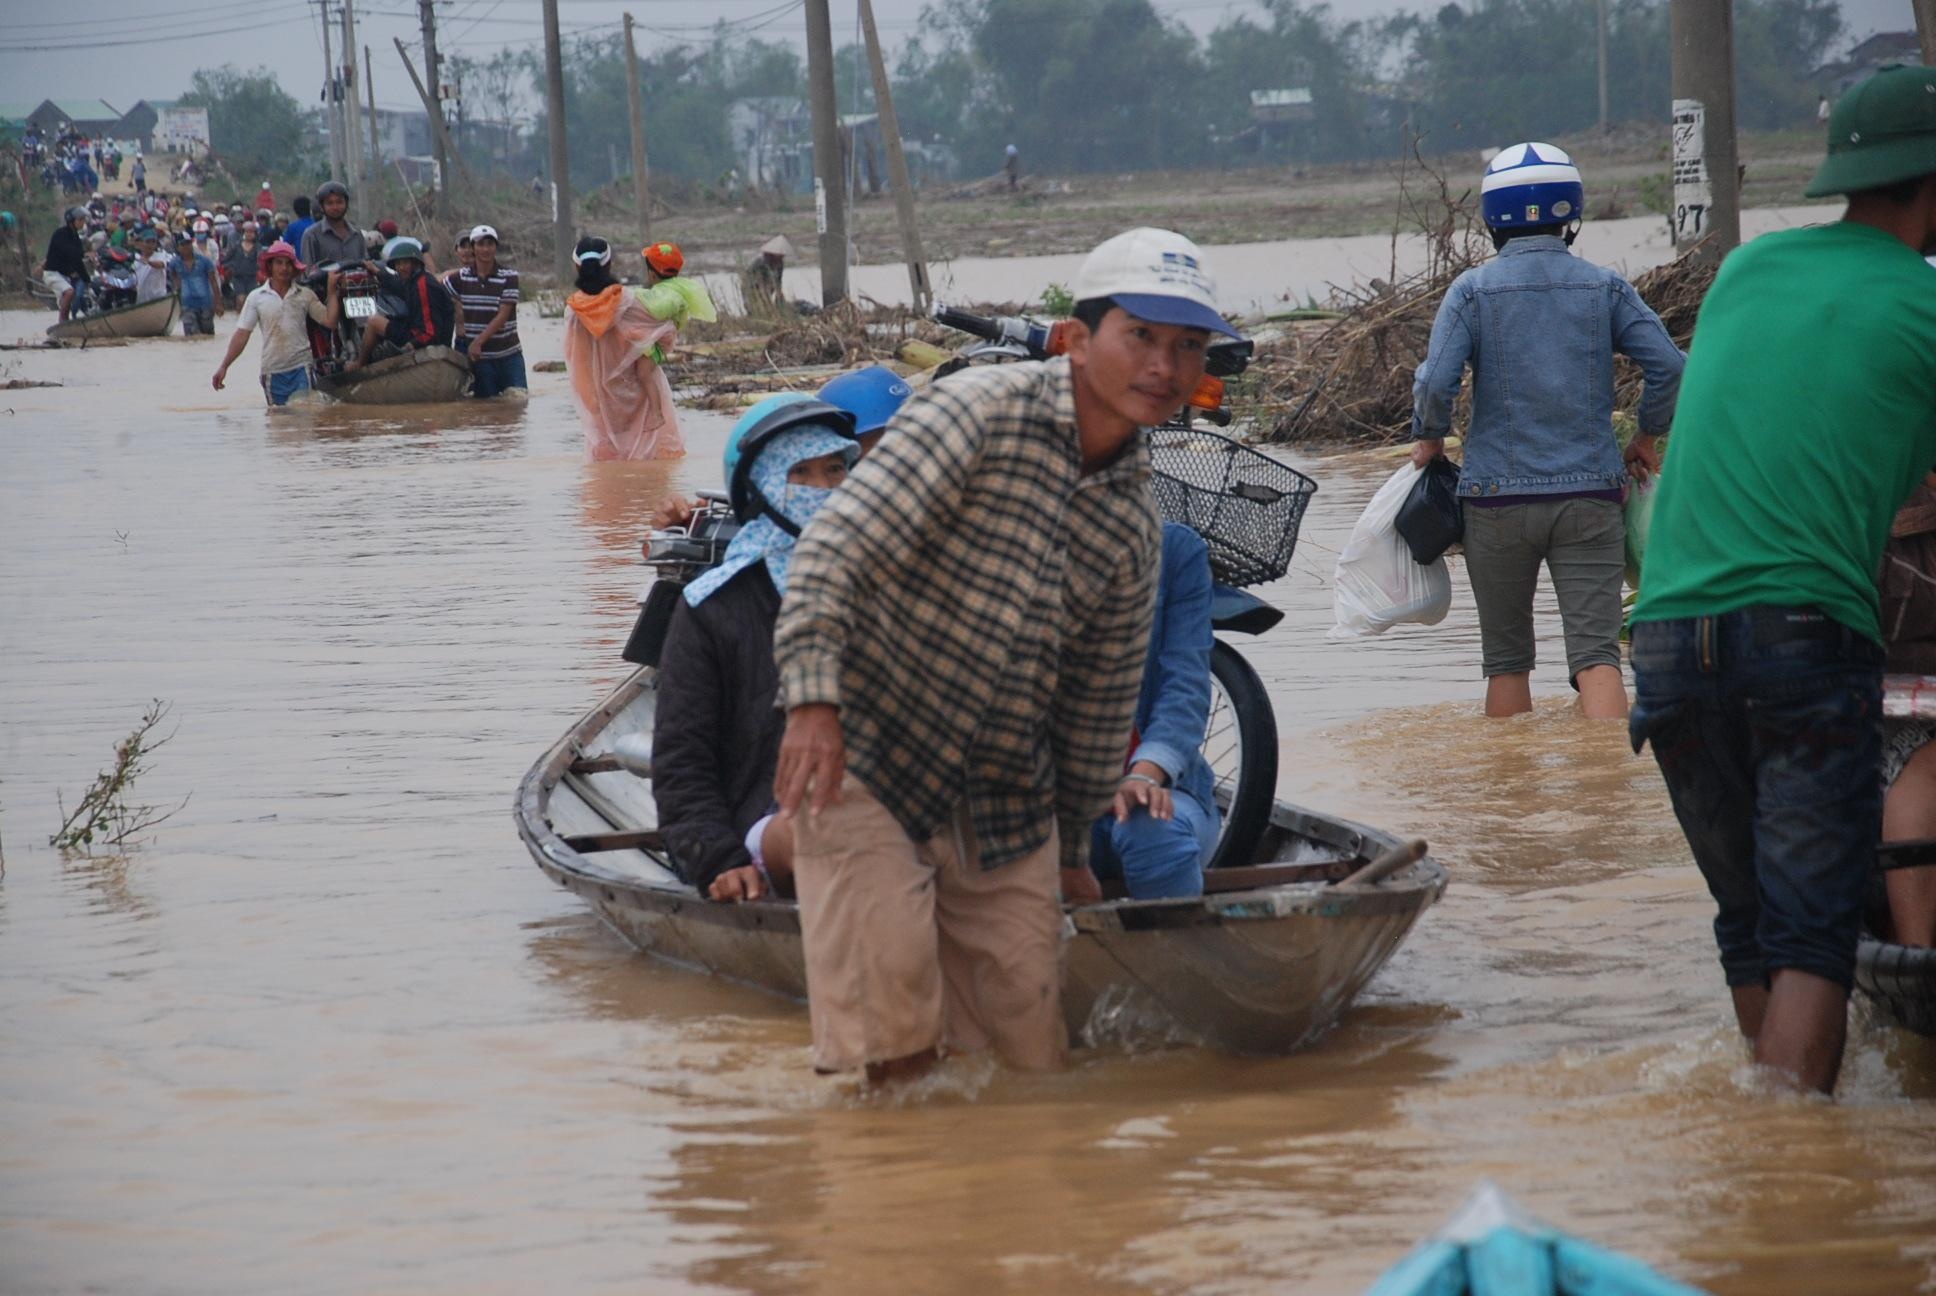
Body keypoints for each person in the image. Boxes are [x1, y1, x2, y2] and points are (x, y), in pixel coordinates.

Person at [771, 226, 1238, 1082]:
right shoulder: (974, 415)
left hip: (1006, 798)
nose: (1165, 368)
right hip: (873, 759)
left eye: (1187, 346)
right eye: (1141, 336)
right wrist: (811, 705)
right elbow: (835, 550)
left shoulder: (1135, 522)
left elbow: (1095, 707)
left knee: (1029, 1059)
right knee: (891, 1052)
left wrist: (1068, 853)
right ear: (1075, 339)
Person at [1628, 65, 1936, 1095]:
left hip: (1666, 637)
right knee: (1811, 935)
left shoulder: (1745, 275)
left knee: (1749, 920)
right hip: (1804, 636)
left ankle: (1759, 1166)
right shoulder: (1926, 306)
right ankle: (1797, 1187)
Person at [1411, 141, 1684, 720]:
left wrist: (1430, 438)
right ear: (1571, 215)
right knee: (1598, 657)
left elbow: (1437, 379)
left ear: (1492, 220)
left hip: (1494, 505)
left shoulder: (1472, 291)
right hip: (1589, 499)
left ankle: (1512, 793)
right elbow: (1669, 365)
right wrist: (1645, 438)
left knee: (1506, 662)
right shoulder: (1604, 287)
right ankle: (1606, 788)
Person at [654, 394, 863, 904]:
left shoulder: (893, 575)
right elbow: (683, 760)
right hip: (770, 821)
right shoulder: (713, 607)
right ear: (762, 492)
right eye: (802, 475)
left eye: (836, 470)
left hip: (889, 802)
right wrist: (717, 859)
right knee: (831, 830)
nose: (825, 489)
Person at [1090, 522, 1220, 899]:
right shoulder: (1014, 559)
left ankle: (1177, 955)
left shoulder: (1174, 550)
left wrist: (1144, 777)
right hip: (1056, 799)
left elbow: (1186, 686)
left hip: (1166, 792)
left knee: (1150, 825)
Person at [562, 235, 686, 460]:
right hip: (637, 392)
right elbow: (666, 333)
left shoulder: (573, 312)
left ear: (576, 266)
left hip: (600, 401)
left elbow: (575, 360)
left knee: (607, 469)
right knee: (650, 466)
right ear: (609, 264)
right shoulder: (630, 301)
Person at [212, 241, 343, 406]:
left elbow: (330, 322)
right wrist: (224, 366)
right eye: (279, 263)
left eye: (288, 263)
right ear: (270, 266)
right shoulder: (256, 297)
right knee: (278, 422)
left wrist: (332, 291)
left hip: (302, 368)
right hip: (272, 372)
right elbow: (242, 335)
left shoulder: (305, 295)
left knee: (304, 416)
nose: (284, 268)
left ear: (294, 267)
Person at [345, 236, 457, 371]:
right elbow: (397, 285)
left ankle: (359, 364)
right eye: (398, 264)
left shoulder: (424, 285)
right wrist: (377, 272)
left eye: (405, 263)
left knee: (374, 321)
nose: (401, 267)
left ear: (415, 264)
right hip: (419, 332)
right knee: (386, 318)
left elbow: (431, 331)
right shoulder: (413, 281)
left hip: (426, 339)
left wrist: (412, 344)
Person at [452, 224, 525, 397]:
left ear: (496, 247)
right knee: (487, 409)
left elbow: (503, 315)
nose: (486, 249)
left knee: (519, 401)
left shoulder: (509, 276)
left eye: (490, 244)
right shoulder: (460, 278)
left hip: (509, 355)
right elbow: (436, 289)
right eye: (481, 244)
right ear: (473, 248)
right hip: (482, 361)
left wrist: (477, 342)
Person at [298, 181, 366, 269]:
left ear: (346, 204)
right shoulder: (312, 235)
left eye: (339, 202)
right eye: (329, 203)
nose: (335, 207)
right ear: (322, 207)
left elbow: (365, 264)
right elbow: (308, 272)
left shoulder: (357, 234)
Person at [42, 206, 91, 323]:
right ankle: (63, 321)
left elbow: (78, 259)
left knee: (70, 297)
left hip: (65, 275)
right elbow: (72, 254)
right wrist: (85, 276)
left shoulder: (75, 237)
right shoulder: (60, 234)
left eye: (84, 219)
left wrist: (86, 279)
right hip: (52, 274)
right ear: (72, 221)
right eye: (80, 220)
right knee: (69, 292)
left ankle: (68, 320)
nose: (83, 222)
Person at [170, 233, 221, 336]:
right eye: (183, 244)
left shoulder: (205, 261)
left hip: (205, 303)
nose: (186, 247)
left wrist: (218, 303)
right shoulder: (174, 263)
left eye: (188, 243)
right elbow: (175, 282)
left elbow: (214, 282)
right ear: (177, 247)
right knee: (191, 336)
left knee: (208, 334)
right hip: (187, 305)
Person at [741, 235, 791, 316]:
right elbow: (761, 285)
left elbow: (778, 283)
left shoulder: (780, 264)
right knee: (756, 309)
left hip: (768, 288)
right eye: (779, 254)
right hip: (752, 287)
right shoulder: (761, 263)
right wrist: (768, 303)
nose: (781, 256)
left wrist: (779, 297)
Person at [221, 221, 261, 308]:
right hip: (238, 278)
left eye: (251, 232)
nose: (249, 234)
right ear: (243, 232)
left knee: (252, 302)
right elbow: (226, 259)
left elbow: (260, 262)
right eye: (247, 231)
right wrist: (231, 266)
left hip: (252, 278)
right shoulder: (236, 246)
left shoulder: (258, 247)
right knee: (241, 299)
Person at [131, 228, 170, 304]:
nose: (150, 245)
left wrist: (148, 262)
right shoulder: (136, 259)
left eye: (153, 242)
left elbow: (160, 265)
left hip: (158, 299)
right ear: (141, 243)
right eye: (147, 242)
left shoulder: (161, 255)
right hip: (141, 300)